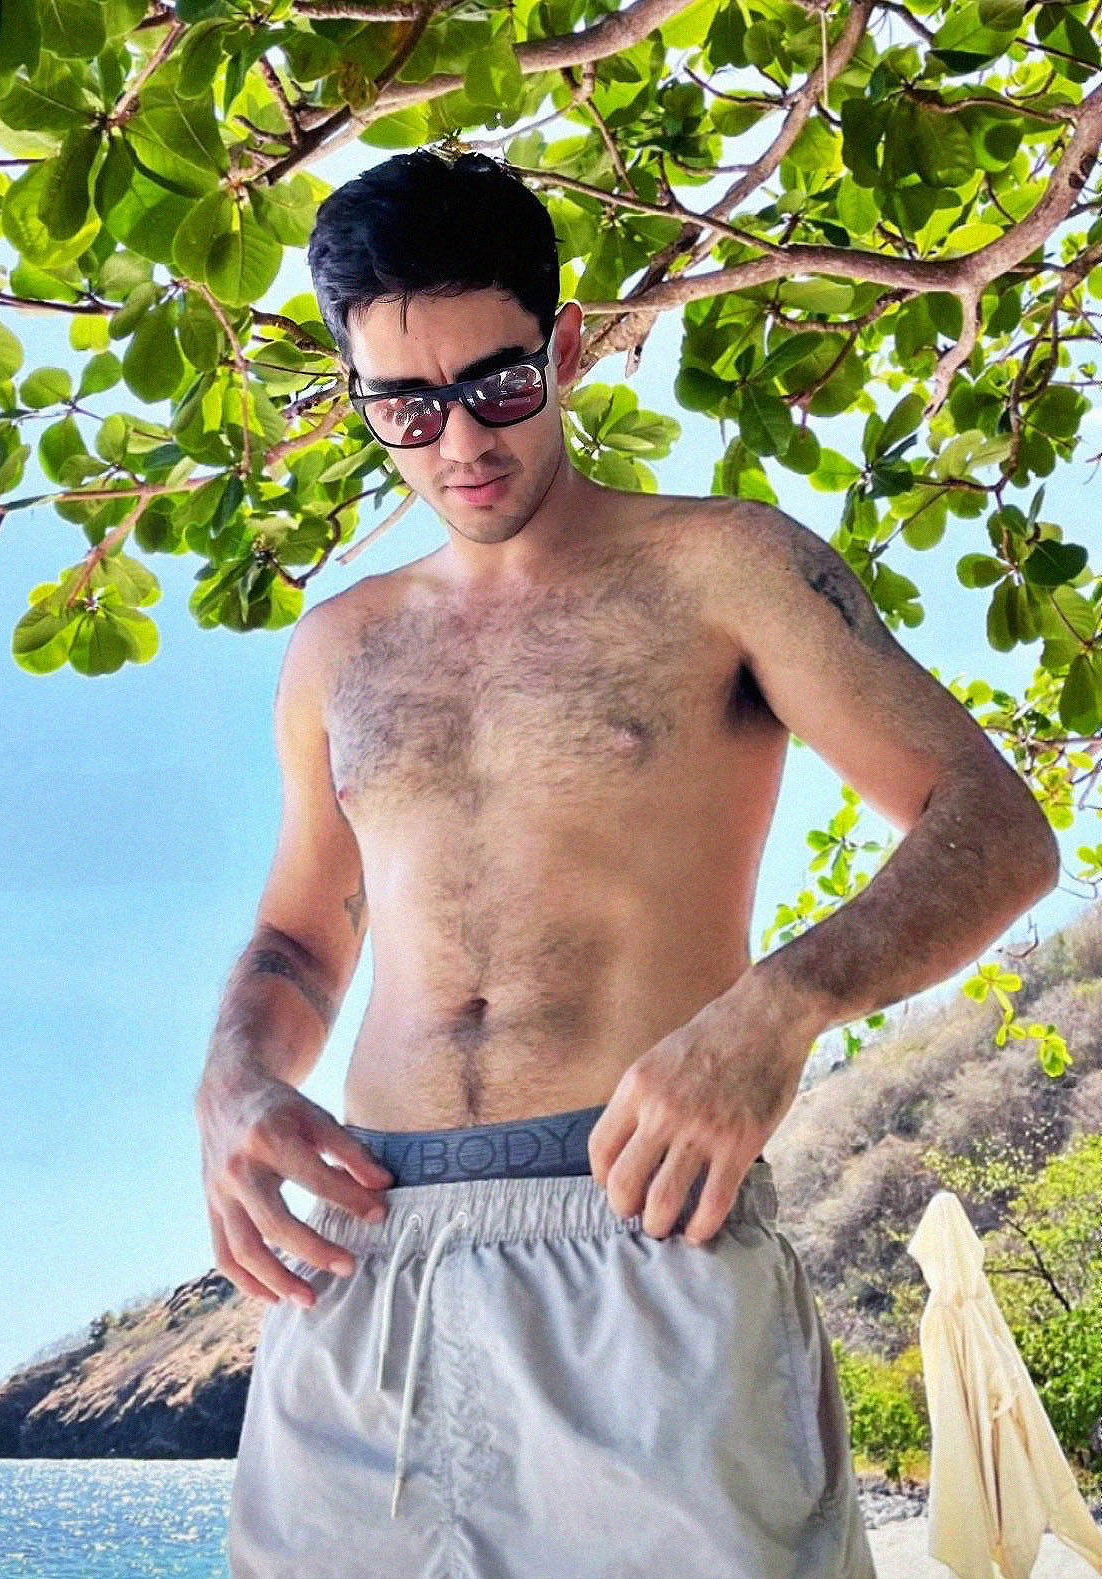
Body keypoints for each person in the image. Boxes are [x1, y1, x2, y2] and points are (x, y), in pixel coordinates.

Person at [194, 147, 1060, 1579]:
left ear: (569, 344)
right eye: (406, 406)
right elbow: (299, 941)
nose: (460, 443)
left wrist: (776, 1010)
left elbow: (996, 830)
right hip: (366, 1263)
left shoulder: (727, 568)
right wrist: (231, 1076)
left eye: (498, 383)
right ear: (358, 398)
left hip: (644, 1232)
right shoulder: (337, 649)